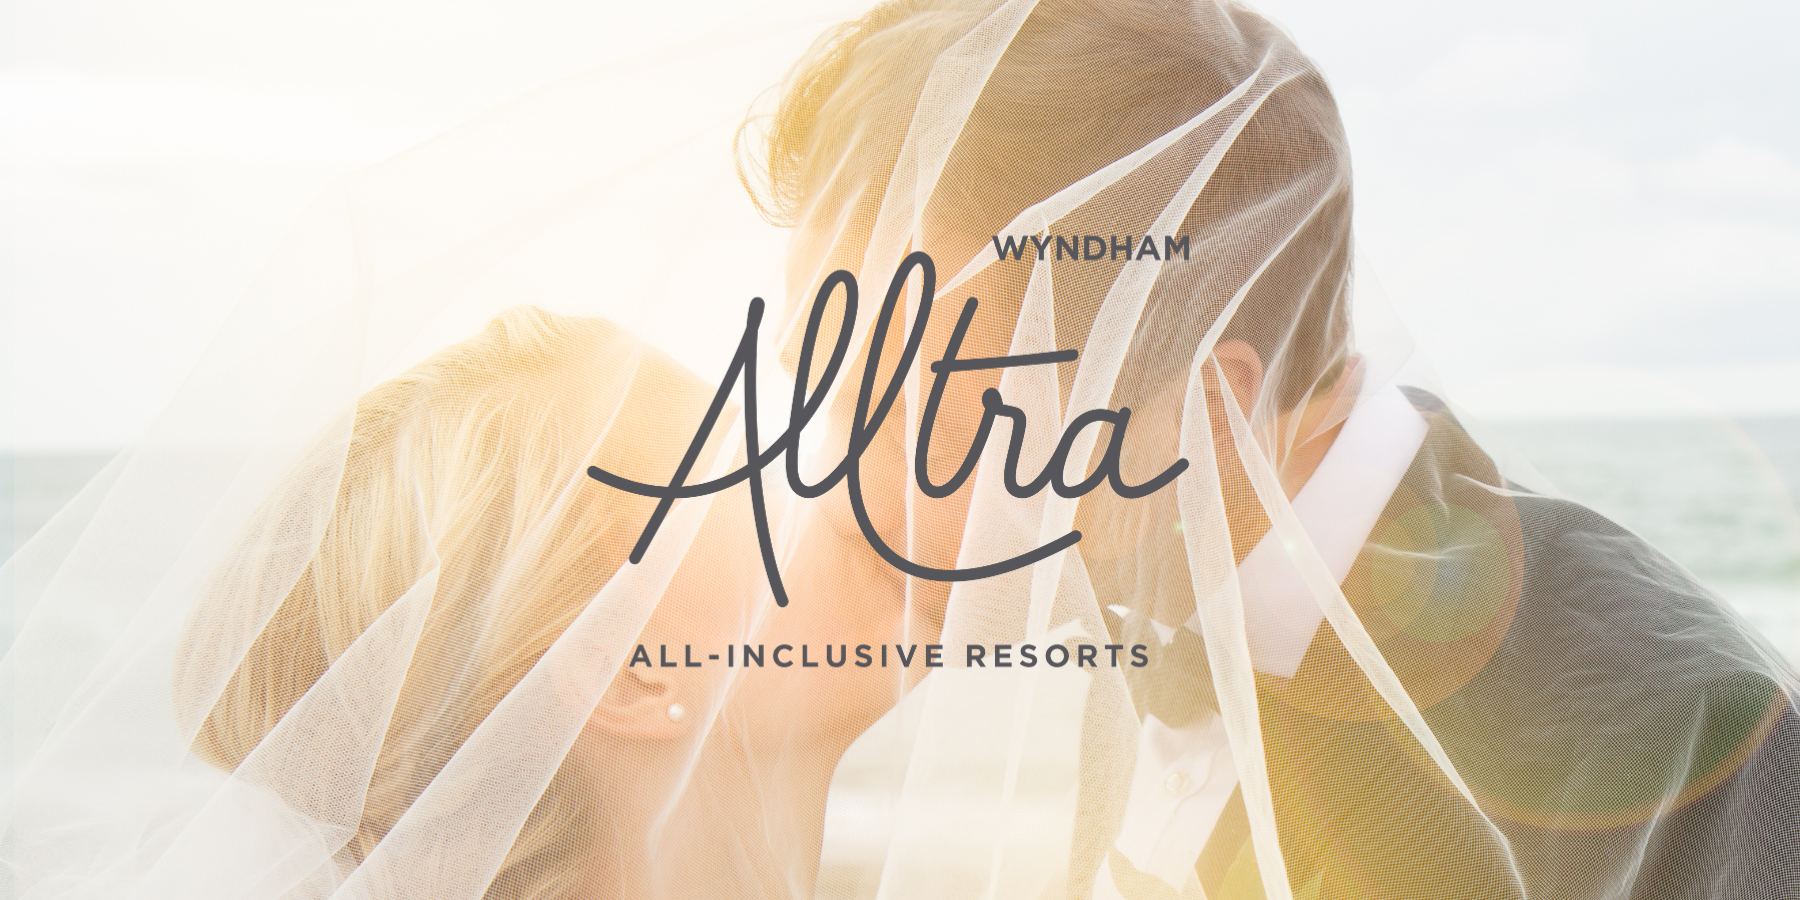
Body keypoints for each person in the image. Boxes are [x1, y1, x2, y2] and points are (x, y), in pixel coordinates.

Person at [1, 2, 1793, 900]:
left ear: (1213, 405)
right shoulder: (1126, 606)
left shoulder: (1704, 775)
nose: (844, 433)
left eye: (909, 361)